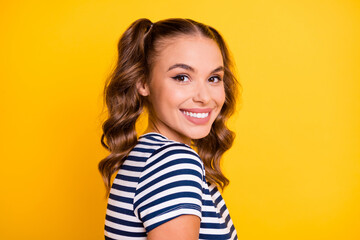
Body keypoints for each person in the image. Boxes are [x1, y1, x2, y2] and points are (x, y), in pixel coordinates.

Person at [99, 18, 241, 240]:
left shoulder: (143, 155)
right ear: (143, 82)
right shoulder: (175, 162)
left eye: (214, 78)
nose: (204, 97)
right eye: (182, 77)